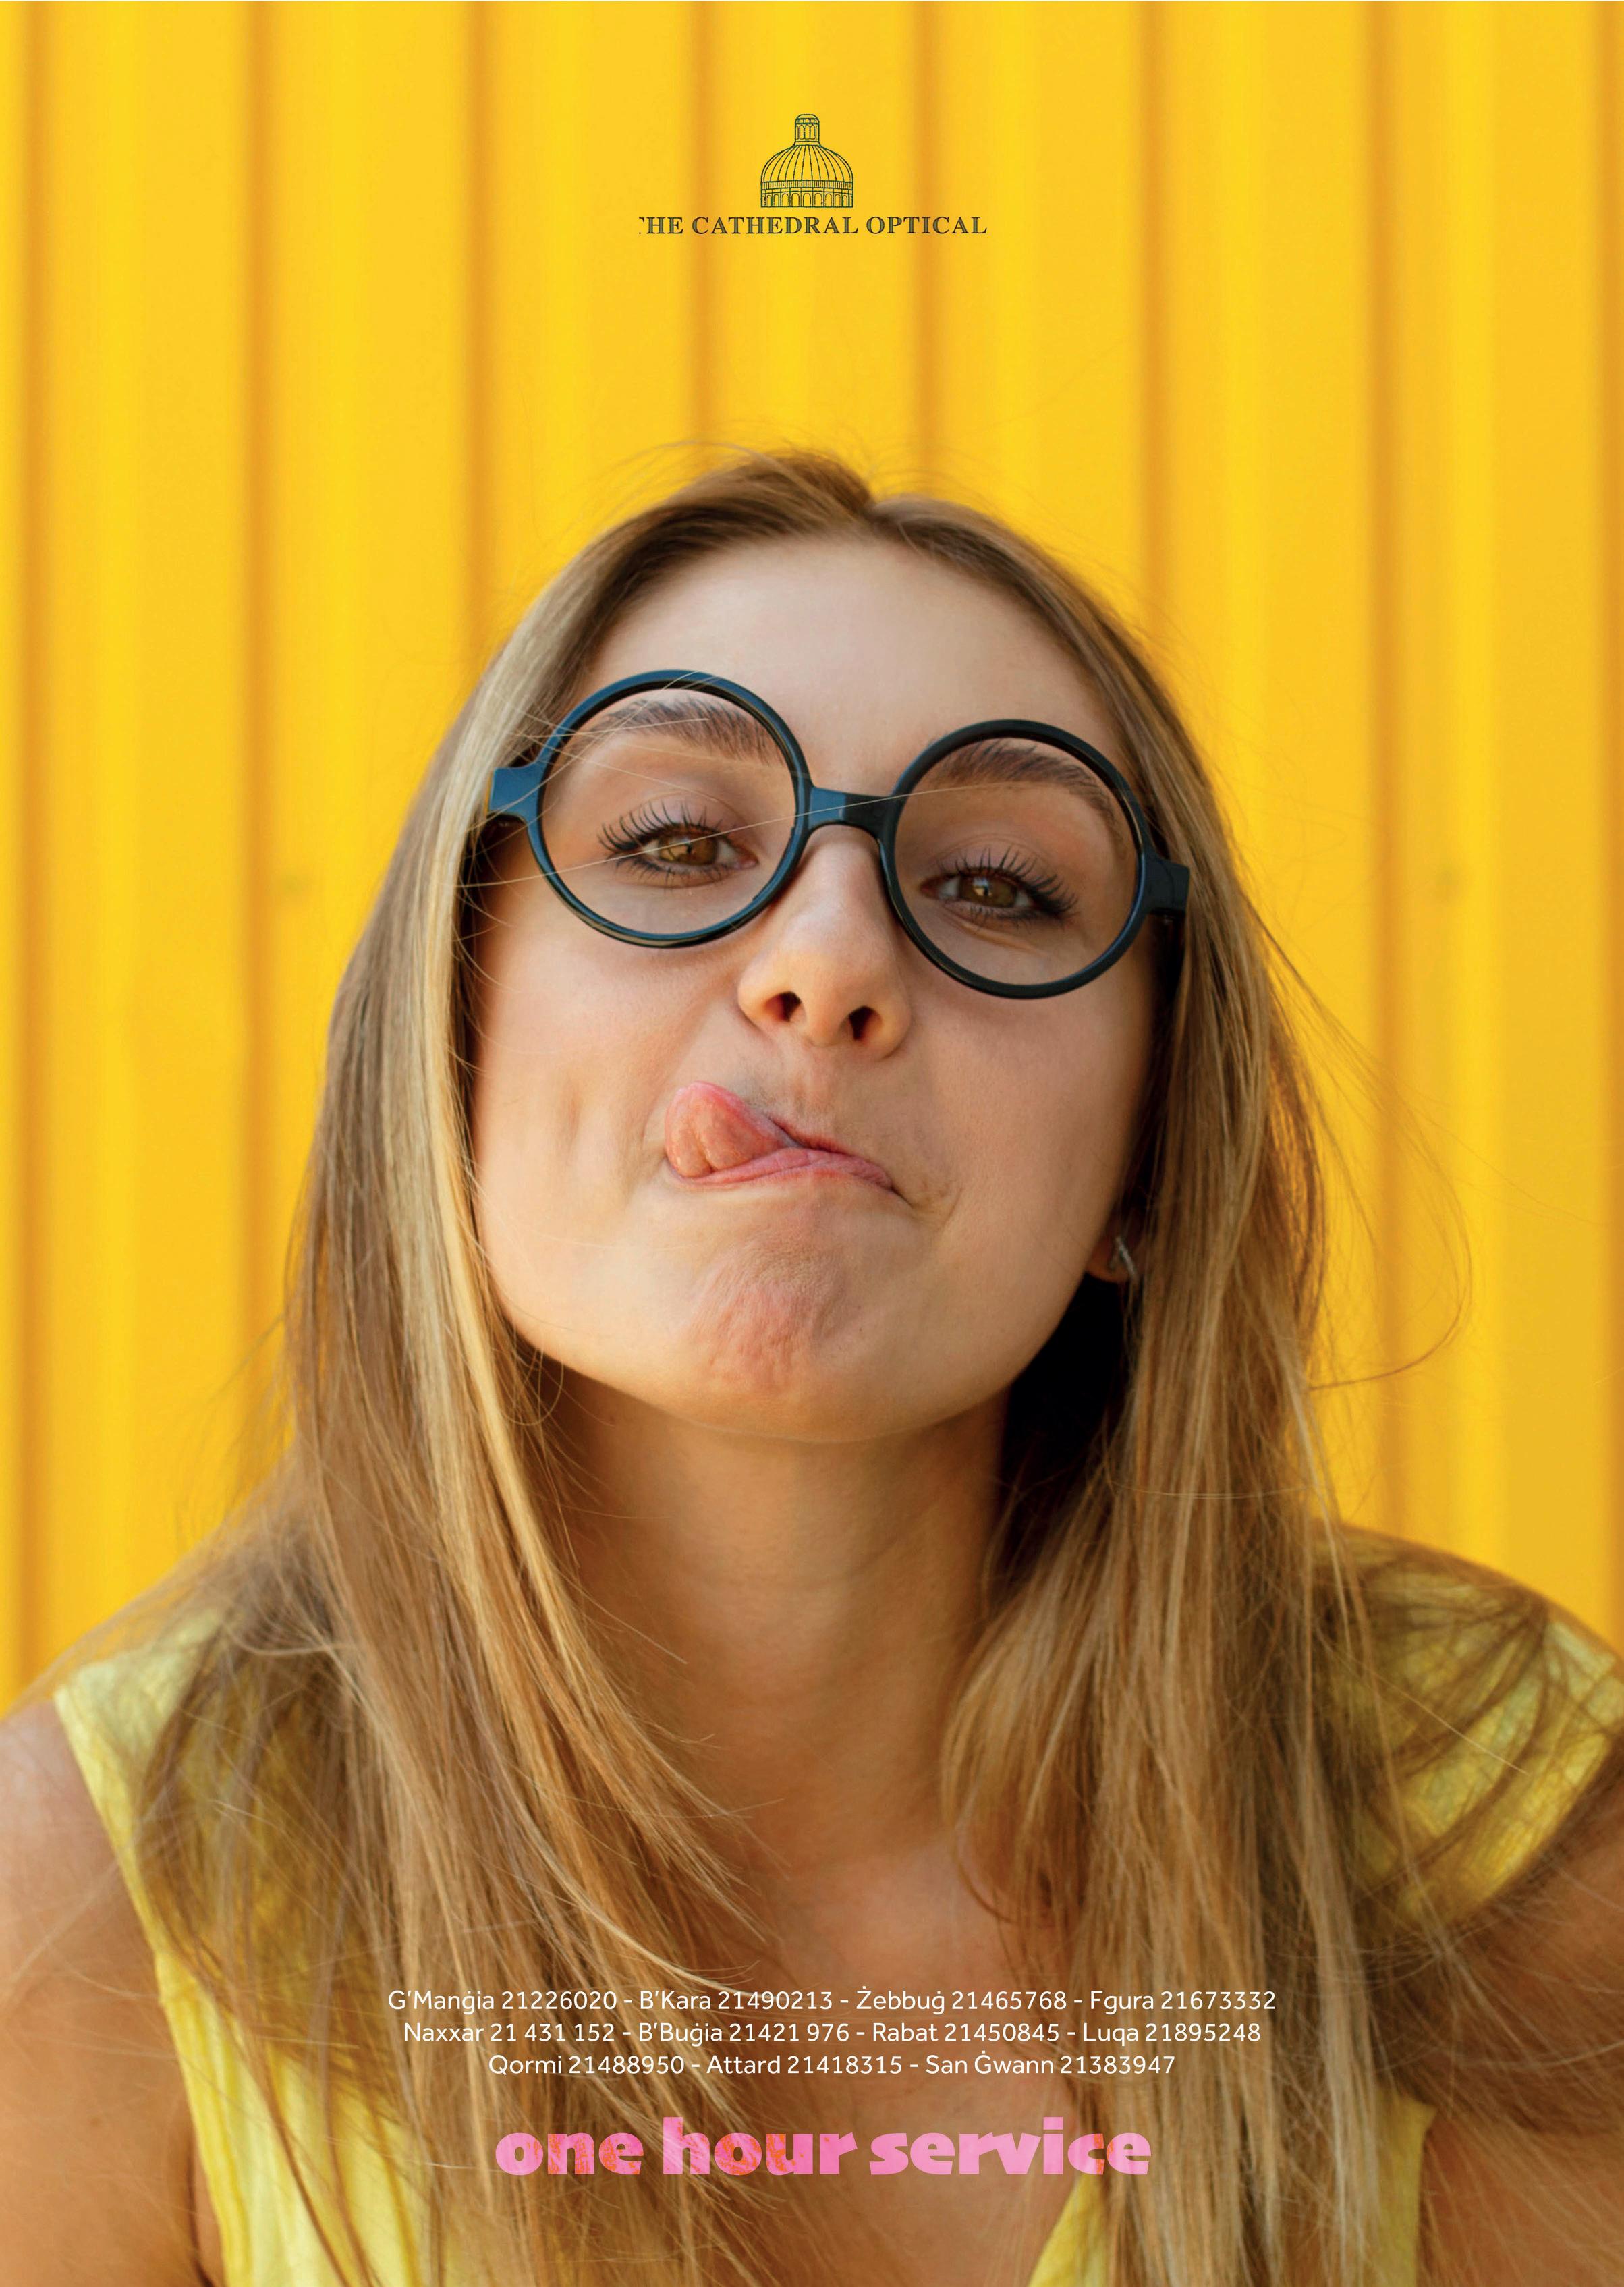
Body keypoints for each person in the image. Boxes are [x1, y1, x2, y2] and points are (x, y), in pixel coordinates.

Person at [1, 447, 1621, 2287]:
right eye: (677, 845)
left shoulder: (1492, 1846)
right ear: (448, 1035)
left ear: (1150, 1153)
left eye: (998, 885)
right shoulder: (77, 1926)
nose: (829, 961)